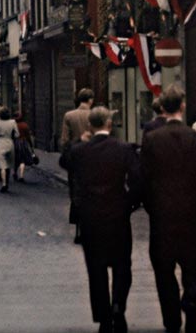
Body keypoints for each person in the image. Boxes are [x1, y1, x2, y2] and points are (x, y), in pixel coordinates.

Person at [141, 85, 196, 333]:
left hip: (162, 215)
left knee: (164, 271)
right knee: (192, 266)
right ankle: (191, 304)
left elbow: (144, 178)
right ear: (182, 106)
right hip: (191, 215)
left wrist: (151, 206)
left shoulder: (152, 139)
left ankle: (171, 321)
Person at [70, 106, 141, 333]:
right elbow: (138, 179)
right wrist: (129, 202)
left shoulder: (81, 151)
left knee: (96, 268)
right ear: (110, 125)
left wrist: (80, 141)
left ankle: (103, 317)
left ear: (90, 126)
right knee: (122, 265)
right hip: (118, 215)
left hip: (90, 217)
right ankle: (118, 306)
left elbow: (64, 161)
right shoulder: (123, 149)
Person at [60, 88, 94, 243]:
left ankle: (79, 230)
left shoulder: (69, 116)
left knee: (76, 194)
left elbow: (64, 140)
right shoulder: (95, 115)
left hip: (75, 159)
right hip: (93, 158)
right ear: (90, 100)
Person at [0, 106, 18, 193]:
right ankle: (7, 180)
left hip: (0, 143)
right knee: (9, 164)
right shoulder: (13, 122)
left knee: (2, 165)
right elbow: (17, 134)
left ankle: (4, 183)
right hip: (10, 143)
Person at [13, 112, 34, 182]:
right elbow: (28, 136)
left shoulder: (13, 125)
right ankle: (21, 175)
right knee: (22, 160)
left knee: (16, 159)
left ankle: (15, 172)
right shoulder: (25, 125)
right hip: (23, 143)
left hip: (15, 143)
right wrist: (31, 146)